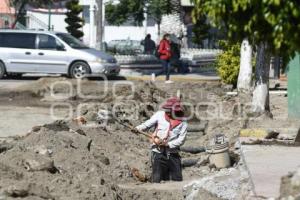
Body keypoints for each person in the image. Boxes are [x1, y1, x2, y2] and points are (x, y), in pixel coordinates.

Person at [135, 97, 188, 183]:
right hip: (158, 151)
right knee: (157, 178)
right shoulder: (159, 115)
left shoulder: (183, 122)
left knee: (177, 179)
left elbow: (181, 140)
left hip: (173, 153)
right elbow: (147, 124)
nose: (167, 112)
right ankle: (151, 180)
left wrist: (168, 144)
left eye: (170, 110)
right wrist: (137, 128)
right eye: (167, 109)